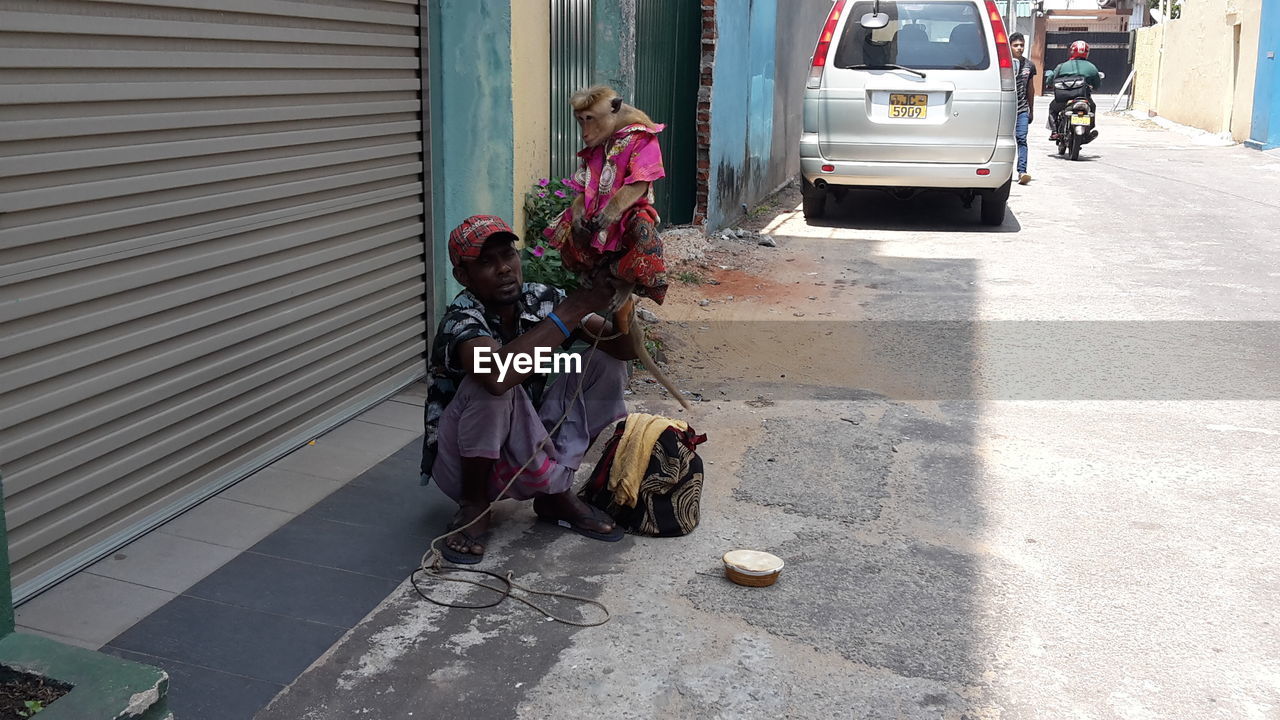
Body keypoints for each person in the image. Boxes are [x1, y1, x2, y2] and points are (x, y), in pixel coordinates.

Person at [421, 214, 639, 564]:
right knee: (493, 384)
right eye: (486, 263)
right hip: (461, 464)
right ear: (463, 276)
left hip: (525, 444)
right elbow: (498, 376)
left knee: (604, 364)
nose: (504, 269)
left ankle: (556, 491)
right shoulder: (461, 318)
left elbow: (621, 349)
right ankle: (474, 506)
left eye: (507, 256)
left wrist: (622, 292)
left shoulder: (542, 298)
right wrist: (575, 308)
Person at [1044, 40, 1102, 141]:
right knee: (1092, 107)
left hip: (1063, 100)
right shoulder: (1092, 67)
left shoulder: (1062, 66)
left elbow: (1050, 80)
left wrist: (1050, 84)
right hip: (1084, 99)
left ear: (1072, 51)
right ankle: (1088, 131)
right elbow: (1097, 85)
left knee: (1053, 108)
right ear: (1087, 53)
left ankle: (1054, 132)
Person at [1009, 33, 1037, 185]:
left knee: (1022, 139)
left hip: (1022, 109)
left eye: (1021, 45)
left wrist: (1031, 110)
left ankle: (1022, 172)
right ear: (1010, 46)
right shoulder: (1004, 64)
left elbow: (1030, 89)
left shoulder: (1029, 65)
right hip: (1007, 109)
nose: (1019, 48)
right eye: (1016, 45)